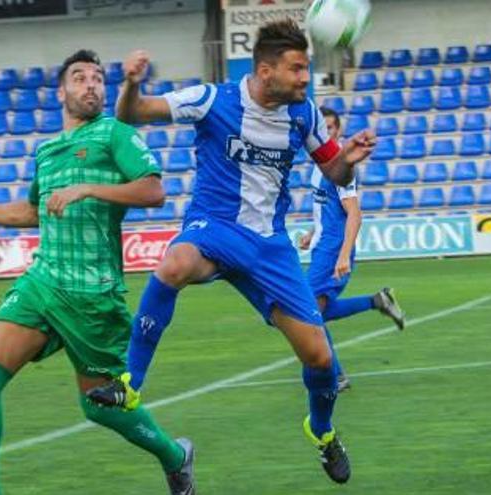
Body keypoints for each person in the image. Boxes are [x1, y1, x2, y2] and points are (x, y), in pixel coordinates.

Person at [88, 19, 376, 484]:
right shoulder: (213, 100)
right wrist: (131, 83)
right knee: (174, 263)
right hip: (215, 228)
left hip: (270, 248)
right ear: (266, 71)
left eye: (307, 69)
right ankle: (129, 384)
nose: (306, 78)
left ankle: (321, 432)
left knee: (320, 358)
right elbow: (134, 113)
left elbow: (335, 173)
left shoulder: (304, 114)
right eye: (298, 69)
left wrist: (348, 159)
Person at [0, 49, 195, 495]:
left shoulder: (115, 134)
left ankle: (174, 456)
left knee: (99, 408)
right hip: (43, 283)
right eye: (80, 78)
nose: (91, 85)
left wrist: (87, 187)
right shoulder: (47, 152)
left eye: (97, 78)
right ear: (62, 91)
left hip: (93, 296)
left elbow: (153, 190)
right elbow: (31, 213)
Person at [298, 107, 405, 392]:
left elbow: (355, 214)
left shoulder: (344, 169)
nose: (328, 133)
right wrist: (311, 232)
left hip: (333, 250)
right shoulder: (319, 166)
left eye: (333, 128)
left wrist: (344, 254)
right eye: (324, 128)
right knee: (318, 312)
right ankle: (377, 301)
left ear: (339, 132)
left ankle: (335, 374)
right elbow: (328, 210)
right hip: (322, 246)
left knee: (307, 314)